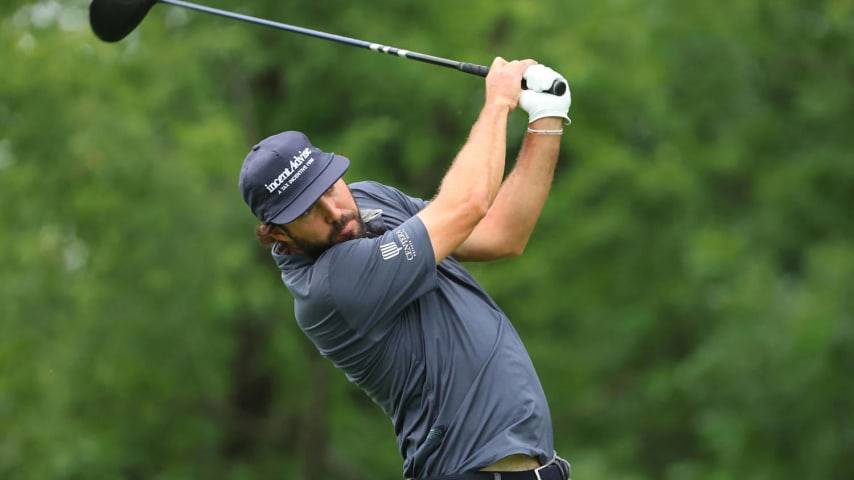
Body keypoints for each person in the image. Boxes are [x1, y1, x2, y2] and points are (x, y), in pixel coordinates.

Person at [238, 57, 572, 480]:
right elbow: (467, 205)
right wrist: (498, 104)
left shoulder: (367, 200)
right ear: (278, 234)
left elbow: (501, 233)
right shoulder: (329, 288)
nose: (336, 211)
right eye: (308, 210)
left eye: (329, 187)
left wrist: (547, 117)